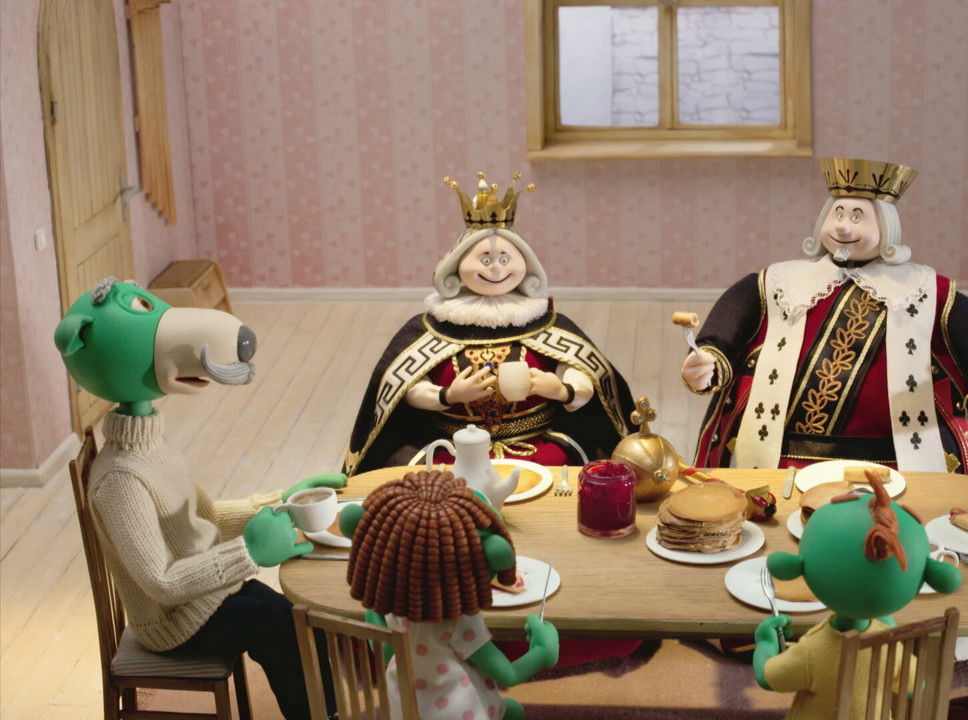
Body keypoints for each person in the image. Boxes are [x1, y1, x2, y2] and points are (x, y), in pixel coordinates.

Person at [54, 277, 339, 720]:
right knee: (277, 628)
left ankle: (332, 705)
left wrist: (280, 499)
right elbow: (161, 582)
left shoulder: (151, 445)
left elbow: (206, 515)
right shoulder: (120, 480)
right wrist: (248, 552)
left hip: (205, 590)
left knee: (296, 615)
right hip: (173, 622)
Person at [681, 158, 968, 485]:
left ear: (886, 227)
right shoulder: (775, 281)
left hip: (901, 459)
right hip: (777, 455)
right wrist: (707, 362)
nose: (843, 226)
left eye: (857, 217)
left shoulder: (931, 291)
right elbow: (723, 334)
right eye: (838, 213)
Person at [345, 171, 636, 476]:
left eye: (505, 259)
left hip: (540, 448)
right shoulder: (430, 328)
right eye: (485, 260)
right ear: (457, 266)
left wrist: (563, 390)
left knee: (565, 473)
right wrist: (447, 396)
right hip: (452, 450)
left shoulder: (548, 324)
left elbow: (583, 375)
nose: (496, 269)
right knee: (428, 477)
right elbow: (409, 388)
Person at [342, 469, 559, 720]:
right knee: (513, 712)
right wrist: (542, 650)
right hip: (454, 712)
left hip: (405, 709)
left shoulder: (394, 605)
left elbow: (388, 654)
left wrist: (373, 615)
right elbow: (507, 674)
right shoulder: (458, 622)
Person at [752, 473, 962, 719]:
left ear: (796, 567)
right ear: (928, 574)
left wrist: (765, 642)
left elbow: (767, 677)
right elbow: (915, 686)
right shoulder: (890, 647)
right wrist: (885, 625)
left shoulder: (813, 651)